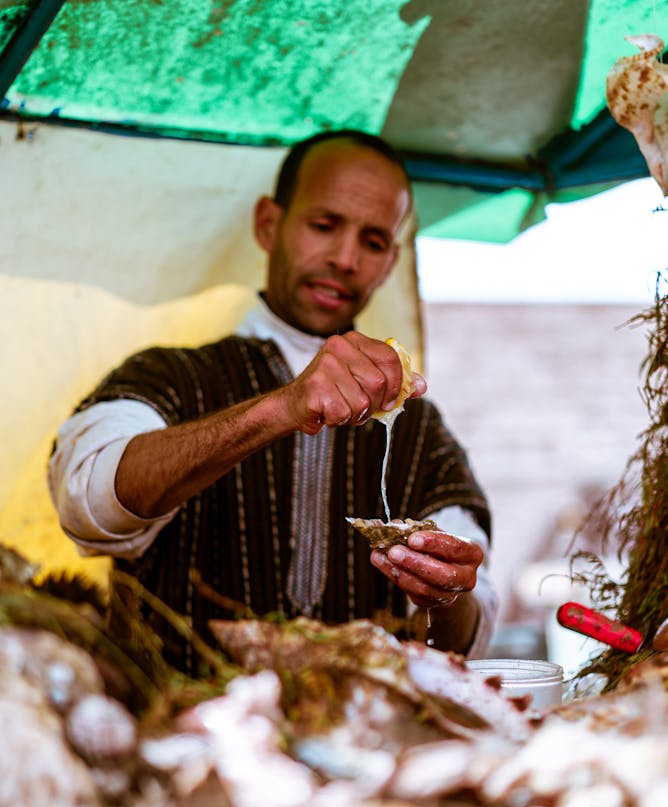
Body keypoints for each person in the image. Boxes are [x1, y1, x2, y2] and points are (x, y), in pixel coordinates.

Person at [49, 129, 498, 677]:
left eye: (374, 241)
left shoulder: (416, 426)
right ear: (269, 224)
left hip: (357, 748)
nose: (345, 258)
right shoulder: (168, 376)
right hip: (175, 739)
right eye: (324, 225)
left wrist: (446, 594)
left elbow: (466, 638)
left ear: (389, 262)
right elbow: (87, 503)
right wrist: (280, 407)